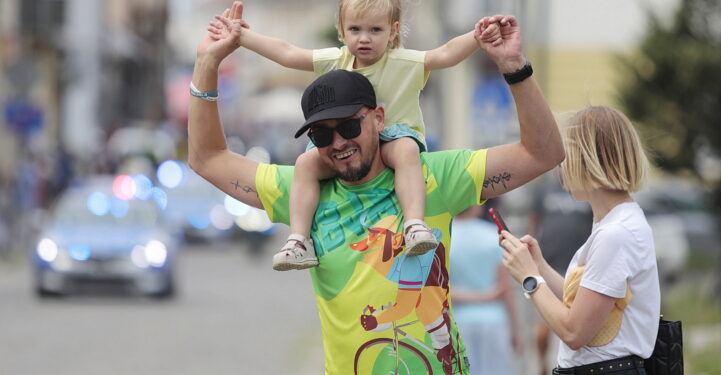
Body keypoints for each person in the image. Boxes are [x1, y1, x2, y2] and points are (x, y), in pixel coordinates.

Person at [188, 3, 564, 373]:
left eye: (349, 127)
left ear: (379, 118)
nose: (337, 143)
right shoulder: (306, 190)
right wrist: (207, 63)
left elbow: (543, 153)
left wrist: (514, 67)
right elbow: (207, 158)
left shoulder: (432, 176)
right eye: (321, 134)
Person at [206, 0, 502, 271]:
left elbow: (446, 54)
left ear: (392, 31)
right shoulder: (337, 60)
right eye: (355, 29)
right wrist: (244, 37)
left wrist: (476, 38)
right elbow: (287, 53)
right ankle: (299, 239)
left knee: (406, 152)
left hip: (395, 136)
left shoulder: (404, 62)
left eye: (375, 30)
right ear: (342, 31)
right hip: (348, 139)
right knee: (306, 163)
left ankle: (414, 224)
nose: (364, 38)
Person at [499, 106, 660, 375]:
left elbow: (574, 331)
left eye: (567, 155)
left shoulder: (615, 234)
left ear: (588, 160)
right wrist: (539, 266)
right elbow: (584, 303)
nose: (561, 166)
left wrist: (530, 279)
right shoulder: (615, 223)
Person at [527, 170, 592, 375]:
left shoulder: (586, 190)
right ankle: (542, 365)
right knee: (542, 331)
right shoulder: (543, 190)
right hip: (550, 263)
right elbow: (534, 221)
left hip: (580, 267)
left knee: (577, 324)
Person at [450, 203, 522, 375]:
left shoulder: (444, 235)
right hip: (494, 320)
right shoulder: (492, 235)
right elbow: (506, 289)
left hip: (457, 322)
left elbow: (440, 287)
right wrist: (516, 330)